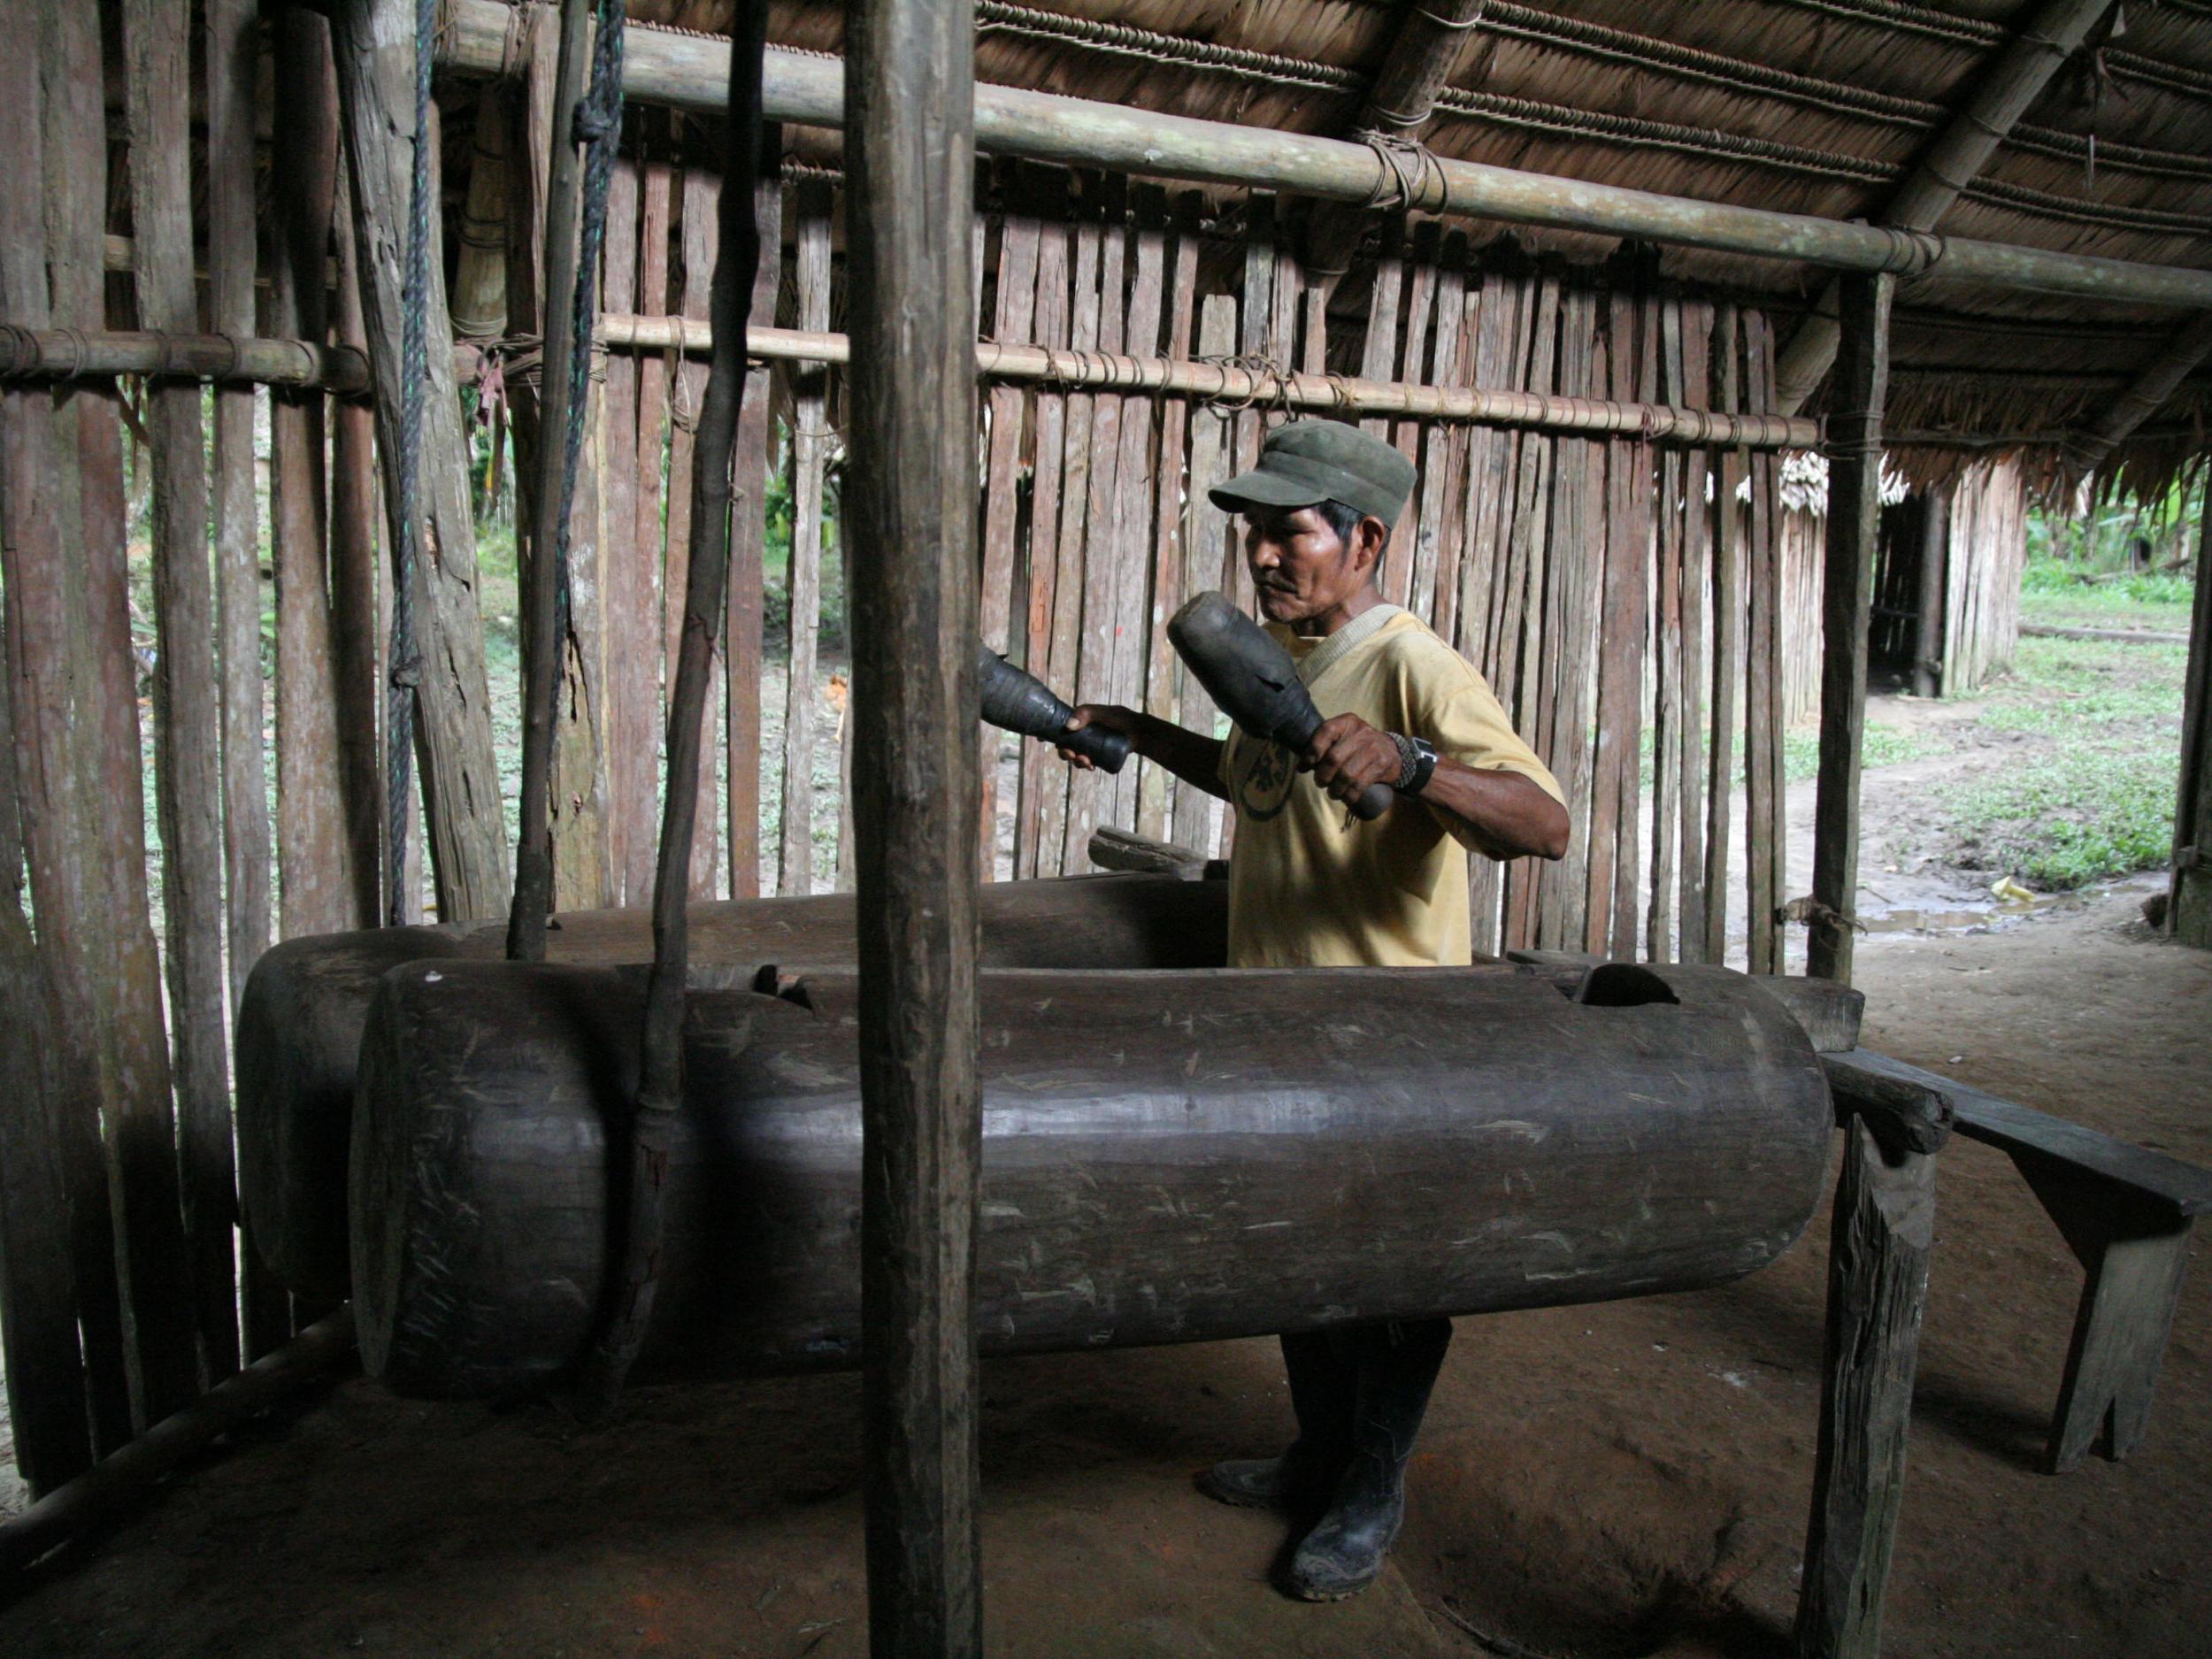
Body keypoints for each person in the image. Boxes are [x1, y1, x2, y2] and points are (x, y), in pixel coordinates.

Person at [1056, 418, 1569, 1601]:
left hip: (1393, 1039)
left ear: (1365, 538)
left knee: (1393, 1276)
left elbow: (1545, 822)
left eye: (1289, 534)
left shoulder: (1410, 665)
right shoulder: (1284, 664)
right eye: (1252, 536)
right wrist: (1143, 733)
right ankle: (1317, 1456)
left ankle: (1372, 1485)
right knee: (1298, 1259)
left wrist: (1418, 766)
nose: (1264, 560)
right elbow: (1265, 776)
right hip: (1277, 1023)